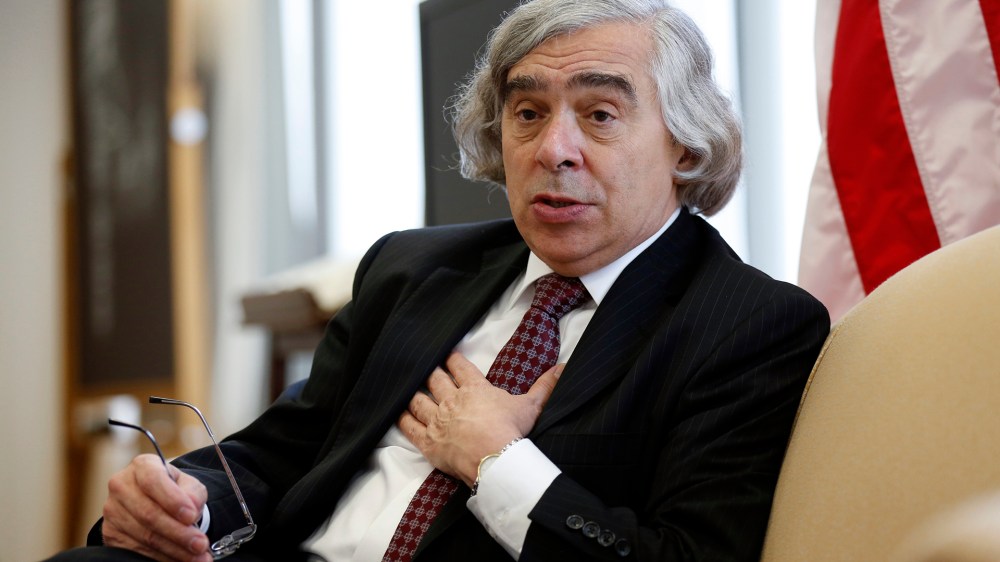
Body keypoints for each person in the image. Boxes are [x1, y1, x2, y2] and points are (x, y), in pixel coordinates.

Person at [49, 0, 829, 560]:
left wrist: (498, 463)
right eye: (526, 113)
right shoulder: (411, 268)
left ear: (685, 146)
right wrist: (182, 499)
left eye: (599, 115)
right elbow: (280, 453)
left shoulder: (752, 326)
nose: (554, 148)